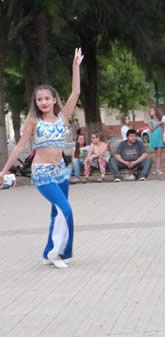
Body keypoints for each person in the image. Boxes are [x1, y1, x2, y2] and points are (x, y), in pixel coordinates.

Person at [0, 48, 84, 269]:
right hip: (43, 173)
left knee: (57, 212)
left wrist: (75, 67)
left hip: (60, 171)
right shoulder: (33, 121)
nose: (43, 102)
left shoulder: (63, 117)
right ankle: (57, 254)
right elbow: (19, 146)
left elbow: (75, 92)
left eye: (47, 98)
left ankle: (49, 252)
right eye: (39, 99)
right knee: (65, 209)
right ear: (36, 102)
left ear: (54, 100)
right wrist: (4, 170)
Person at [147, 106, 165, 175]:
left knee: (159, 154)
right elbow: (151, 130)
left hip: (159, 138)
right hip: (154, 138)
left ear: (155, 111)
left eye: (152, 111)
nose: (151, 112)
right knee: (157, 155)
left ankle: (158, 169)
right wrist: (158, 124)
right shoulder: (150, 121)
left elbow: (163, 130)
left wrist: (163, 138)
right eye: (150, 111)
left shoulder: (160, 120)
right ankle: (157, 169)